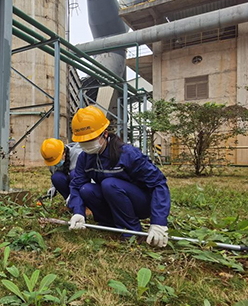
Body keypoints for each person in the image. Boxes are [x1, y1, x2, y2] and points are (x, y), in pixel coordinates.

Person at [67, 105, 171, 248]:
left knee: (109, 184)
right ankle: (111, 224)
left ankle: (133, 232)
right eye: (82, 141)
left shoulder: (127, 154)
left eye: (90, 139)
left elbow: (158, 183)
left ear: (105, 133)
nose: (86, 144)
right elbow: (77, 185)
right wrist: (78, 211)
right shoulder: (84, 158)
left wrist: (158, 221)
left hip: (140, 202)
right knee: (86, 189)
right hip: (114, 199)